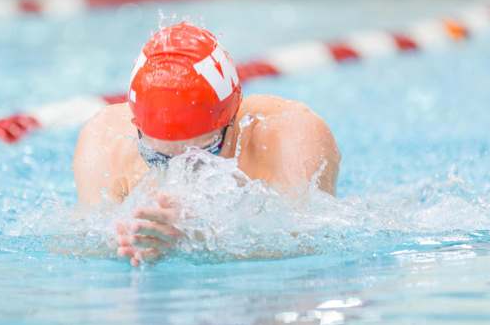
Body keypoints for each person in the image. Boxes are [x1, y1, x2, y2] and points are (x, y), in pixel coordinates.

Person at [73, 23, 341, 266]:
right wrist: (125, 242)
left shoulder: (292, 134)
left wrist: (198, 236)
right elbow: (82, 241)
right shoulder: (106, 139)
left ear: (232, 120)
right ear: (137, 128)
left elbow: (310, 244)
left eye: (199, 158)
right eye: (156, 158)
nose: (179, 172)